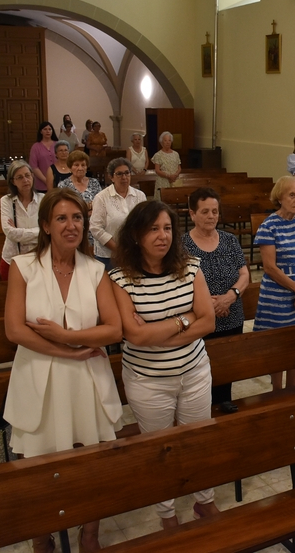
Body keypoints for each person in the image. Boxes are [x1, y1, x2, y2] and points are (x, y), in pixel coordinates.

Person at [3, 188, 123, 553]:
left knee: (92, 464)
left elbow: (114, 329)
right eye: (61, 218)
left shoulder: (95, 269)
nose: (71, 226)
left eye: (77, 218)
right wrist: (68, 350)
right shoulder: (23, 268)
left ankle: (90, 532)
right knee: (37, 467)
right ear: (45, 225)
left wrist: (66, 335)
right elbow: (15, 330)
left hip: (87, 380)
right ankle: (42, 536)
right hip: (40, 376)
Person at [109, 201, 219, 529]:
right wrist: (185, 320)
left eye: (168, 228)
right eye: (153, 229)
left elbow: (209, 321)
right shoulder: (120, 278)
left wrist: (161, 331)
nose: (162, 236)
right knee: (161, 449)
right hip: (148, 380)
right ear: (135, 235)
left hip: (195, 372)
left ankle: (205, 501)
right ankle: (167, 513)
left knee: (197, 441)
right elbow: (134, 336)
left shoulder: (190, 267)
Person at [182, 188, 250, 413]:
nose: (211, 216)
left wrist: (230, 297)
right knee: (201, 366)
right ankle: (201, 406)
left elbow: (244, 274)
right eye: (205, 212)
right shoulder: (182, 246)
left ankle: (224, 400)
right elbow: (179, 282)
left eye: (215, 211)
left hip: (231, 313)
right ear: (192, 214)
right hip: (200, 316)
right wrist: (208, 304)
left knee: (227, 361)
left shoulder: (229, 240)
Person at [253, 176, 295, 390]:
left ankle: (292, 390)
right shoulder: (268, 226)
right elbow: (270, 267)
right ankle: (277, 391)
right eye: (292, 195)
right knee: (278, 347)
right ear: (279, 197)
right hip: (278, 295)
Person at [90, 158, 146, 269]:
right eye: (119, 174)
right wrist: (119, 249)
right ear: (111, 177)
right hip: (109, 257)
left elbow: (144, 223)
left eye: (127, 173)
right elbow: (95, 228)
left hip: (135, 254)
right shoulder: (101, 198)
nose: (124, 177)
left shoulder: (140, 196)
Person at [0, 160, 44, 281]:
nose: (25, 180)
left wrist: (19, 231)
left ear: (32, 176)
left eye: (27, 175)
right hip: (12, 259)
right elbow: (9, 232)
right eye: (19, 177)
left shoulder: (43, 199)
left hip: (37, 258)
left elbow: (49, 231)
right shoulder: (6, 201)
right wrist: (38, 233)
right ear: (13, 181)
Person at [29, 121, 58, 193]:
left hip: (58, 182)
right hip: (41, 183)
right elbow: (34, 166)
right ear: (41, 131)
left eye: (49, 129)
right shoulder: (36, 147)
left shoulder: (57, 144)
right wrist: (46, 180)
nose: (48, 131)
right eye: (45, 129)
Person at [152, 131, 182, 200]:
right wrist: (168, 176)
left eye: (169, 140)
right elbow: (157, 170)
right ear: (161, 142)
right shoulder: (158, 155)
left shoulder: (176, 154)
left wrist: (175, 175)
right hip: (163, 181)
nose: (167, 142)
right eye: (165, 140)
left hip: (174, 181)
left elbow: (179, 168)